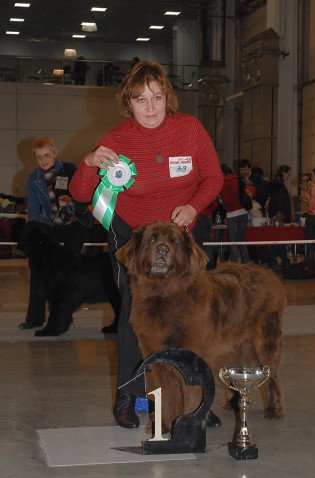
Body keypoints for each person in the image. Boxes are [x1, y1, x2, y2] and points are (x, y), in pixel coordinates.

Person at [69, 61, 224, 429]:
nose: (150, 107)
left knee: (191, 316)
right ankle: (130, 397)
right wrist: (91, 161)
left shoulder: (189, 129)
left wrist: (193, 205)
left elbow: (214, 177)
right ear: (128, 102)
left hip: (181, 237)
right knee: (133, 317)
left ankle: (194, 399)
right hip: (134, 240)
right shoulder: (118, 138)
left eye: (156, 97)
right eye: (141, 100)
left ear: (167, 97)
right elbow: (78, 192)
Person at [19, 136, 93, 330]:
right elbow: (34, 210)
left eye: (47, 155)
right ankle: (34, 318)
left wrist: (71, 201)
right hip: (48, 228)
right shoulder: (33, 179)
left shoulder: (69, 170)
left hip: (73, 225)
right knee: (38, 269)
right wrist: (31, 233)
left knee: (68, 271)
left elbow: (83, 196)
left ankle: (60, 316)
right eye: (39, 157)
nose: (43, 160)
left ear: (54, 153)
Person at [221, 165, 250, 263]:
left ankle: (234, 265)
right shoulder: (238, 179)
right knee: (241, 240)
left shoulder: (224, 182)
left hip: (232, 214)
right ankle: (246, 263)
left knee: (233, 241)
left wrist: (222, 202)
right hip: (244, 212)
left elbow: (227, 199)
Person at [267, 165, 292, 270]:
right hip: (279, 217)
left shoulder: (276, 185)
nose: (288, 176)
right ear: (284, 173)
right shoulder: (280, 187)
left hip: (275, 216)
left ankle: (273, 262)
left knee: (277, 241)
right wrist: (281, 218)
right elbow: (281, 203)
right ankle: (282, 262)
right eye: (288, 174)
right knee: (280, 241)